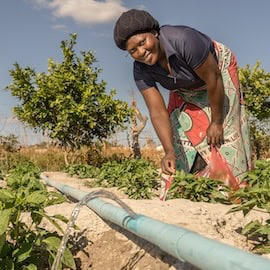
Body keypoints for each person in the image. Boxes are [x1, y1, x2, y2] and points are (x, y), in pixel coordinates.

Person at [113, 9, 252, 182]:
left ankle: (236, 185)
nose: (141, 52)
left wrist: (216, 122)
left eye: (143, 42)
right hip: (184, 87)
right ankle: (193, 184)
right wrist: (169, 151)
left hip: (217, 73)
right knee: (179, 138)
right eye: (133, 50)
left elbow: (214, 78)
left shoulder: (183, 40)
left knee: (224, 135)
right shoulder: (140, 70)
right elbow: (157, 111)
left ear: (155, 33)